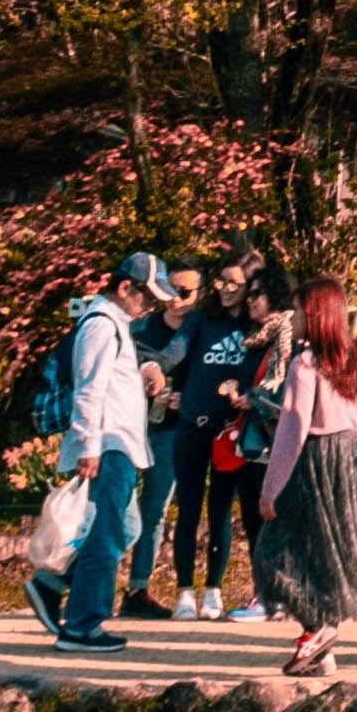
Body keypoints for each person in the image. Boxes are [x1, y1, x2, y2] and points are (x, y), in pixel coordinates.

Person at [253, 275, 357, 678]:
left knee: (272, 554)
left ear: (314, 314)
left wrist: (271, 489)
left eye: (297, 310)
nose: (290, 318)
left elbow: (294, 427)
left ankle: (319, 629)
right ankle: (320, 649)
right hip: (353, 459)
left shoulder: (305, 363)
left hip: (316, 460)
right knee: (333, 555)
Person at [36, 250, 168, 648]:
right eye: (147, 298)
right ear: (124, 287)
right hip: (108, 445)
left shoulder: (116, 324)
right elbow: (89, 392)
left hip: (120, 445)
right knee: (108, 535)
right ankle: (81, 625)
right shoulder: (100, 325)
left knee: (127, 527)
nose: (149, 308)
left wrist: (144, 370)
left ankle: (55, 583)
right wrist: (89, 447)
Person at [147, 252, 263, 620]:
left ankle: (214, 587)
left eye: (235, 284)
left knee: (221, 511)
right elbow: (174, 353)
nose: (226, 290)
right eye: (221, 282)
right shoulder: (200, 320)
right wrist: (155, 367)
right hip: (193, 427)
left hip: (231, 432)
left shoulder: (255, 327)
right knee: (189, 508)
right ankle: (184, 589)